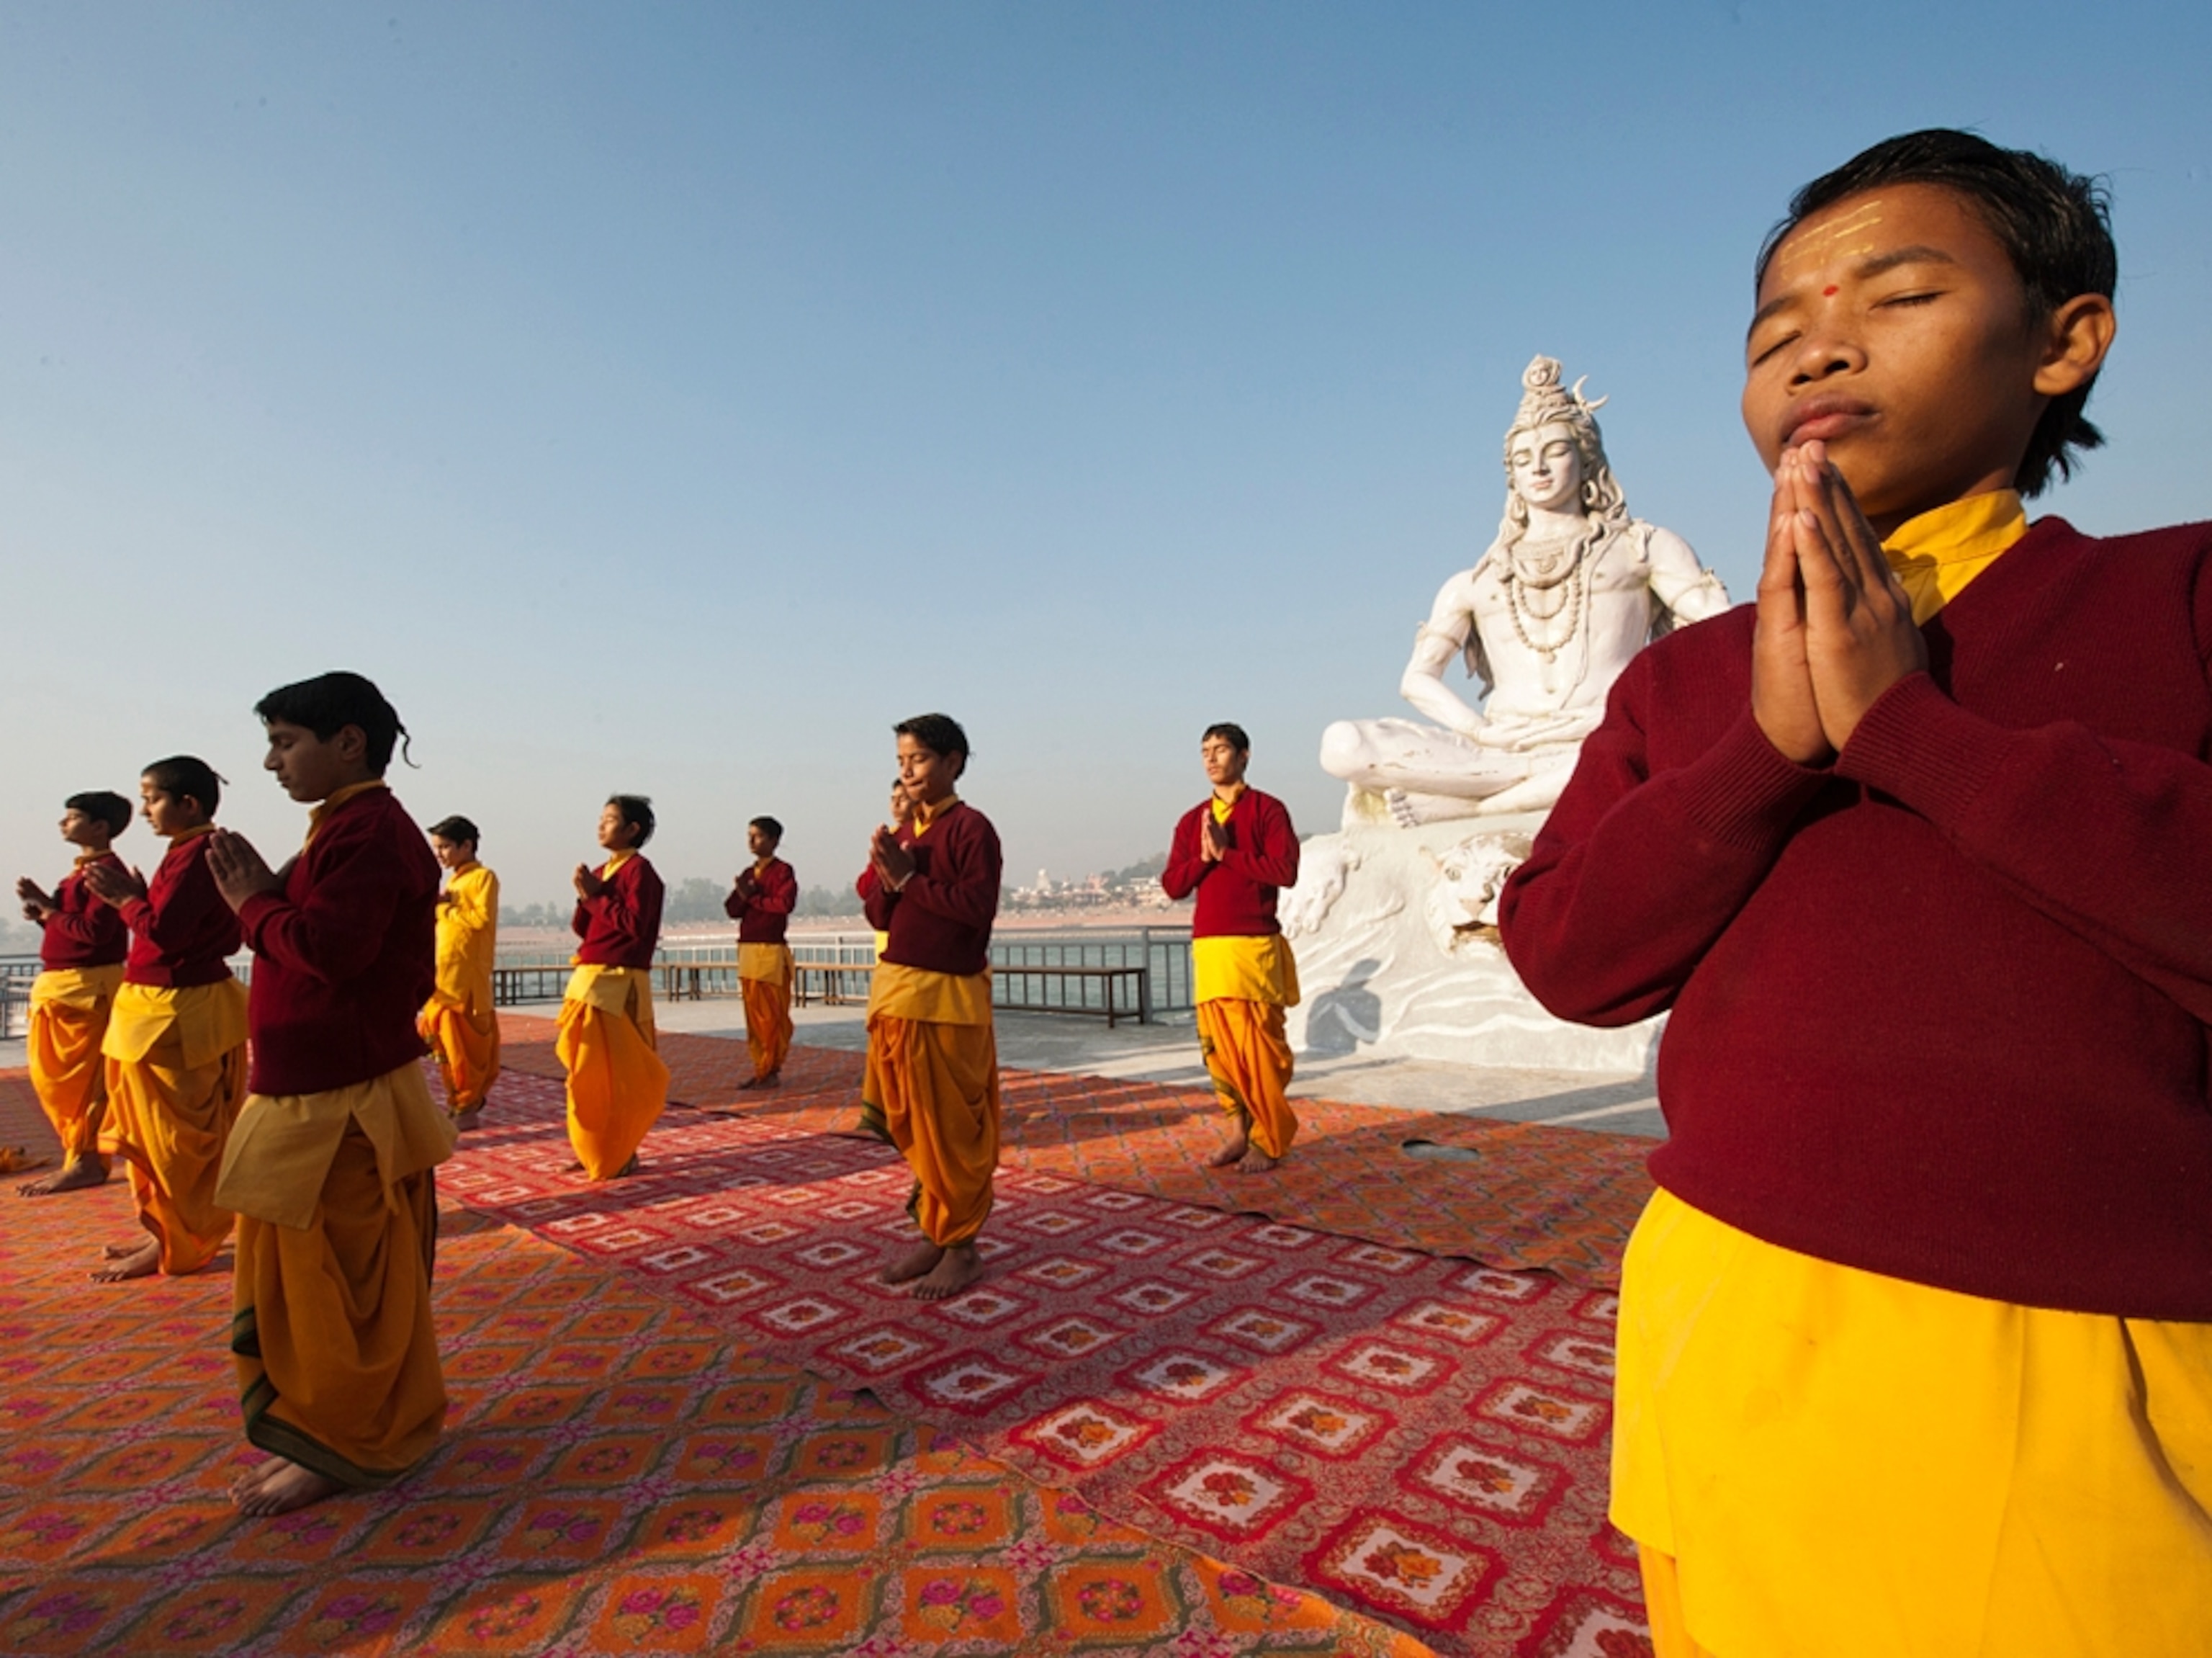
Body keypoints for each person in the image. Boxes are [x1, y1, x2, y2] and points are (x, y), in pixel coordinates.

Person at [1498, 130, 2211, 1658]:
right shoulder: (1690, 680)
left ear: (2066, 339)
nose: (1819, 346)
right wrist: (1764, 748)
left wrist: (1912, 731)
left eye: (1895, 296)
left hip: (2065, 1350)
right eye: (1774, 335)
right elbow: (1567, 947)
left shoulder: (2177, 601)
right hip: (1720, 1313)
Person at [202, 671, 454, 1517]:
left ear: (348, 741)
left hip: (341, 1101)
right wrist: (262, 899)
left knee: (339, 1285)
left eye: (285, 742)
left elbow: (331, 952)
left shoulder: (372, 832)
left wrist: (253, 902)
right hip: (308, 1091)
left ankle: (353, 1436)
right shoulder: (338, 829)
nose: (272, 762)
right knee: (308, 1280)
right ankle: (331, 1425)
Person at [1320, 355, 1730, 825]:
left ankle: (1477, 806)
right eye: (1522, 459)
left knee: (1685, 734)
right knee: (1343, 745)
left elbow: (1721, 632)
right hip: (1500, 748)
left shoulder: (1642, 547)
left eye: (1554, 451)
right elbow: (1417, 679)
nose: (1537, 467)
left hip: (1606, 733)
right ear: (1510, 474)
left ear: (1586, 457)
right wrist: (1482, 733)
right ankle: (1533, 786)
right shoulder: (1478, 579)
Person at [80, 757, 248, 1282]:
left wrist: (127, 900)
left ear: (188, 804)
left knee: (175, 1142)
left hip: (178, 1013)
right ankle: (166, 1228)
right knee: (162, 1136)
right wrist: (137, 897)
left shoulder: (197, 855)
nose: (145, 810)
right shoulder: (189, 852)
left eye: (152, 798)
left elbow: (167, 933)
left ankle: (181, 1241)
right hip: (176, 1006)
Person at [860, 714, 1002, 1301]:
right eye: (900, 762)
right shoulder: (905, 831)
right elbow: (877, 917)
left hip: (948, 998)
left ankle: (962, 1247)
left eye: (917, 759)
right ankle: (935, 1232)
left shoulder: (972, 829)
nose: (907, 771)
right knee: (914, 1122)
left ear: (953, 763)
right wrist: (886, 876)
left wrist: (910, 880)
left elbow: (976, 908)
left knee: (950, 1129)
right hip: (898, 990)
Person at [1160, 725, 1303, 1171]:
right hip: (1210, 946)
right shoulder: (1192, 821)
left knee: (1260, 1048)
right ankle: (1239, 1132)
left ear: (1244, 756)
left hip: (1253, 943)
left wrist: (1228, 855)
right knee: (1219, 1049)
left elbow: (1285, 871)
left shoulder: (1268, 811)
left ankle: (1269, 1138)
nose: (1211, 758)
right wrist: (1204, 858)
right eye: (1205, 751)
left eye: (1221, 749)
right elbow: (1172, 886)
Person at [14, 791, 134, 1196]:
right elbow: (73, 932)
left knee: (82, 1086)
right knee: (55, 1083)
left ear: (99, 827)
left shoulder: (104, 873)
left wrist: (50, 913)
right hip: (65, 987)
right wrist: (45, 909)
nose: (63, 824)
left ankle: (86, 1160)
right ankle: (78, 1156)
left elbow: (95, 934)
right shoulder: (80, 874)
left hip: (88, 991)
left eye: (72, 818)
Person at [558, 795, 669, 1178]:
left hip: (618, 983)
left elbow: (634, 926)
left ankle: (619, 1148)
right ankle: (593, 1145)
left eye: (609, 819)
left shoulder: (642, 873)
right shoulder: (605, 870)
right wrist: (586, 896)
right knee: (582, 1071)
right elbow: (586, 928)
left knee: (617, 1075)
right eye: (601, 819)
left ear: (632, 830)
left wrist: (595, 896)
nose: (600, 826)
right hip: (589, 978)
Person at [417, 815, 500, 1122]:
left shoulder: (483, 878)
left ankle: (468, 1104)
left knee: (468, 1051)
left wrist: (444, 907)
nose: (439, 854)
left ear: (467, 846)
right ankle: (456, 1102)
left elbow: (479, 920)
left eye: (445, 847)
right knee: (446, 1050)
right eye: (436, 847)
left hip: (466, 982)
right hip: (444, 980)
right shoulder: (453, 880)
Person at [724, 815, 798, 1089]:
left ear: (774, 840)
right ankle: (760, 1066)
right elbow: (732, 910)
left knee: (773, 1015)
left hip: (770, 951)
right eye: (749, 836)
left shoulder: (783, 872)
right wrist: (743, 894)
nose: (751, 841)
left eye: (757, 836)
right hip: (748, 951)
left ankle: (771, 1068)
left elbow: (783, 905)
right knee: (754, 1016)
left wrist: (753, 898)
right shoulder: (748, 873)